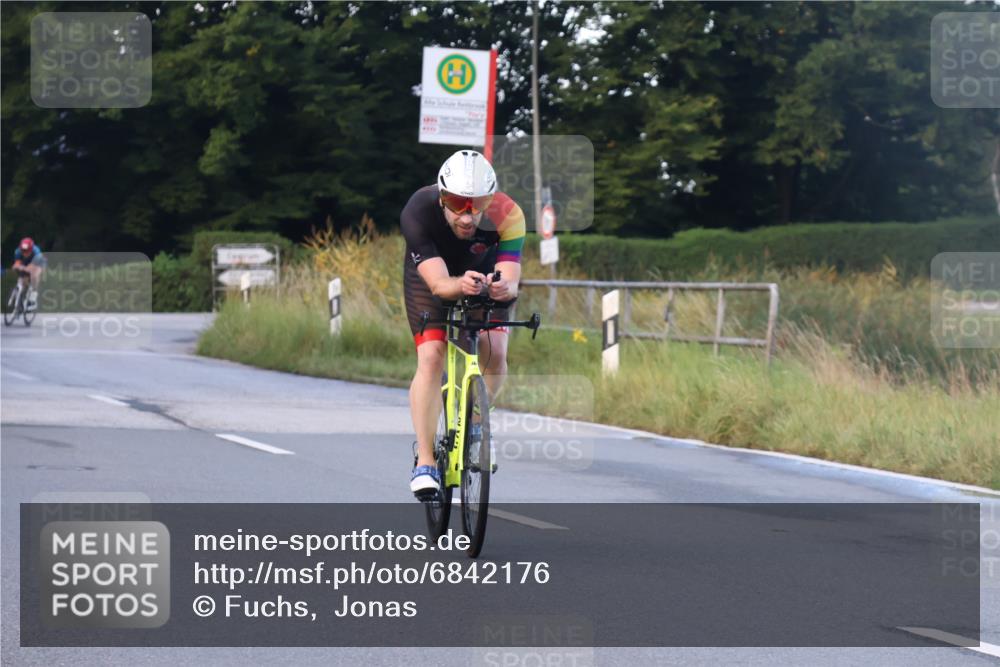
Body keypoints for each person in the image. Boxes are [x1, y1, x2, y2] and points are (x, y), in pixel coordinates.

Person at [401, 150, 526, 497]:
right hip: (432, 278)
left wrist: (502, 286)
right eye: (457, 203)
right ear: (442, 196)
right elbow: (440, 286)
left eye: (478, 203)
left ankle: (474, 425)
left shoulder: (509, 214)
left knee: (495, 351)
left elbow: (512, 279)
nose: (468, 216)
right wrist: (460, 285)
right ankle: (425, 461)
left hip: (484, 277)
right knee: (431, 356)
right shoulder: (419, 210)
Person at [11, 237, 45, 309]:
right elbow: (17, 263)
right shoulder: (17, 251)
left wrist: (24, 268)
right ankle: (22, 295)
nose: (25, 253)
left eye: (27, 251)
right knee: (23, 280)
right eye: (23, 251)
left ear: (31, 249)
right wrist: (17, 266)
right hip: (26, 262)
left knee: (34, 276)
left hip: (38, 263)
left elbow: (32, 267)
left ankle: (33, 297)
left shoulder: (36, 252)